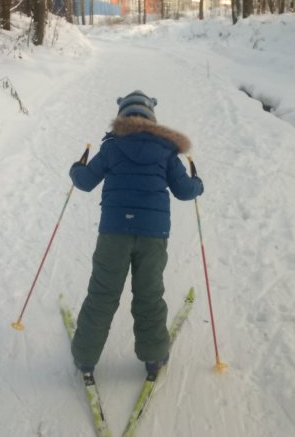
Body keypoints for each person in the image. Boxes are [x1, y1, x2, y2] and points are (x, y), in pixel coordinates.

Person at [68, 90, 204, 376]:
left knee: (102, 294)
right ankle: (154, 357)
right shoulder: (166, 151)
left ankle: (85, 357)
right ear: (152, 119)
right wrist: (197, 183)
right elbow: (184, 191)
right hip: (153, 236)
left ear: (122, 117)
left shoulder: (112, 147)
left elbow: (84, 181)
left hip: (114, 233)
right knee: (149, 294)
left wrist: (76, 168)